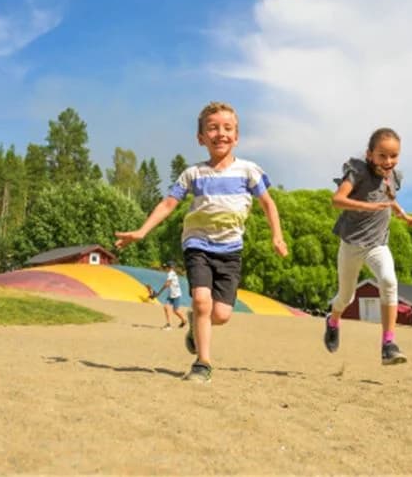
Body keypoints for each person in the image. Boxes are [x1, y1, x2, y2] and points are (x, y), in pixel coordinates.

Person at [115, 101, 288, 383]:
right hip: (198, 245)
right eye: (213, 128)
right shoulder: (193, 174)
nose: (221, 133)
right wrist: (142, 231)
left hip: (230, 250)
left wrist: (276, 235)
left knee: (221, 314)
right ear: (201, 138)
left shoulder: (249, 171)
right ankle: (203, 363)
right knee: (201, 300)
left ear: (236, 136)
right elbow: (169, 203)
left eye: (227, 128)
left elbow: (268, 203)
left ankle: (195, 323)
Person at [323, 127, 412, 365]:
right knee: (346, 298)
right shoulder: (358, 172)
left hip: (377, 243)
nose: (388, 161)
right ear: (370, 154)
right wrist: (368, 207)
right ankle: (333, 321)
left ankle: (388, 344)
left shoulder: (393, 176)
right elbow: (337, 200)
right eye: (382, 155)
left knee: (389, 281)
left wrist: (403, 214)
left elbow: (390, 198)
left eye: (394, 156)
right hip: (352, 243)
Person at [154, 261, 187, 330]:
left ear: (170, 267)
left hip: (176, 295)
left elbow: (167, 284)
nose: (165, 268)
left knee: (175, 311)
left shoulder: (171, 274)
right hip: (172, 294)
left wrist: (158, 293)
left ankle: (184, 320)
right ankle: (168, 325)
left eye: (166, 267)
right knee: (166, 307)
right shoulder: (172, 273)